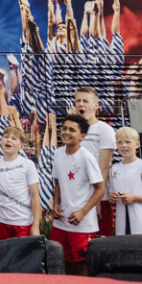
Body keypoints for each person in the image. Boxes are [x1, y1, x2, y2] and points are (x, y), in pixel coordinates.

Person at [50, 113, 106, 273]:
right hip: (62, 221)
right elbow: (58, 181)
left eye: (72, 130)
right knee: (60, 259)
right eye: (64, 128)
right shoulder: (58, 153)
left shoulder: (87, 157)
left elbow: (100, 189)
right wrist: (55, 203)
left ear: (82, 136)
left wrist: (82, 212)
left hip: (82, 223)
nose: (66, 132)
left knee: (82, 264)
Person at [0, 126, 41, 240]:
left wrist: (36, 225)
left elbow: (35, 197)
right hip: (2, 222)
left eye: (14, 138)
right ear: (1, 141)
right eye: (6, 137)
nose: (8, 140)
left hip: (23, 223)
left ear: (21, 146)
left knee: (21, 257)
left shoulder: (28, 165)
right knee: (3, 257)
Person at [75, 87, 117, 234]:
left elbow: (104, 167)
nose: (81, 104)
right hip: (78, 198)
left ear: (96, 106)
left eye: (85, 101)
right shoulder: (74, 131)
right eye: (78, 101)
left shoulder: (104, 130)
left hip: (99, 198)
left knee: (101, 244)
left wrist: (97, 199)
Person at [107, 127, 142, 235]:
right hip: (122, 227)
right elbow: (111, 196)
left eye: (128, 142)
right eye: (120, 142)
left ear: (137, 144)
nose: (124, 145)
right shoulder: (114, 169)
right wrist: (111, 198)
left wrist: (134, 198)